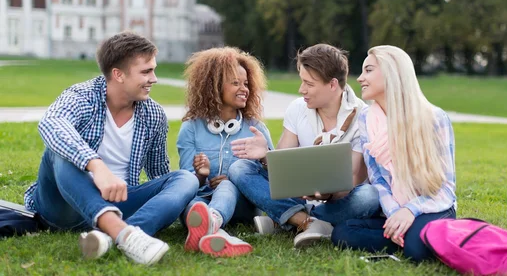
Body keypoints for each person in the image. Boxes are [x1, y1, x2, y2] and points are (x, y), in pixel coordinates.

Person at [331, 45, 507, 265]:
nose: (360, 78)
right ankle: (430, 238)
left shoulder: (434, 119)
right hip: (394, 208)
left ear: (393, 73)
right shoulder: (367, 118)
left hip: (432, 205)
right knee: (342, 234)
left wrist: (410, 211)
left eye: (368, 70)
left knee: (416, 250)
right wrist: (396, 212)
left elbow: (445, 190)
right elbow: (379, 180)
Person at [22, 31, 199, 265]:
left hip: (121, 201)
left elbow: (160, 175)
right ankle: (124, 234)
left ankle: (113, 236)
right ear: (118, 74)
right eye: (146, 71)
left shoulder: (154, 114)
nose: (154, 78)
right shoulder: (82, 96)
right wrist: (97, 167)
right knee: (58, 152)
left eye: (153, 70)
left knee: (185, 179)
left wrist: (190, 201)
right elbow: (52, 123)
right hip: (65, 207)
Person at [228, 44, 380, 249]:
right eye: (302, 82)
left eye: (309, 84)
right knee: (240, 168)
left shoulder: (362, 118)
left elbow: (352, 180)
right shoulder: (298, 108)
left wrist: (327, 194)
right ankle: (305, 222)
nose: (301, 90)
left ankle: (285, 218)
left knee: (369, 197)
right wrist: (266, 155)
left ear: (333, 84)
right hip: (298, 194)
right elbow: (282, 169)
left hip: (336, 202)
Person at [177, 47, 274, 257]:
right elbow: (186, 182)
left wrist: (265, 157)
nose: (244, 89)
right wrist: (201, 175)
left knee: (227, 186)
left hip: (242, 205)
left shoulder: (256, 129)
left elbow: (276, 182)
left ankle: (210, 224)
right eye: (235, 83)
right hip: (203, 199)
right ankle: (217, 234)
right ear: (213, 86)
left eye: (246, 83)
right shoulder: (191, 128)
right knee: (191, 204)